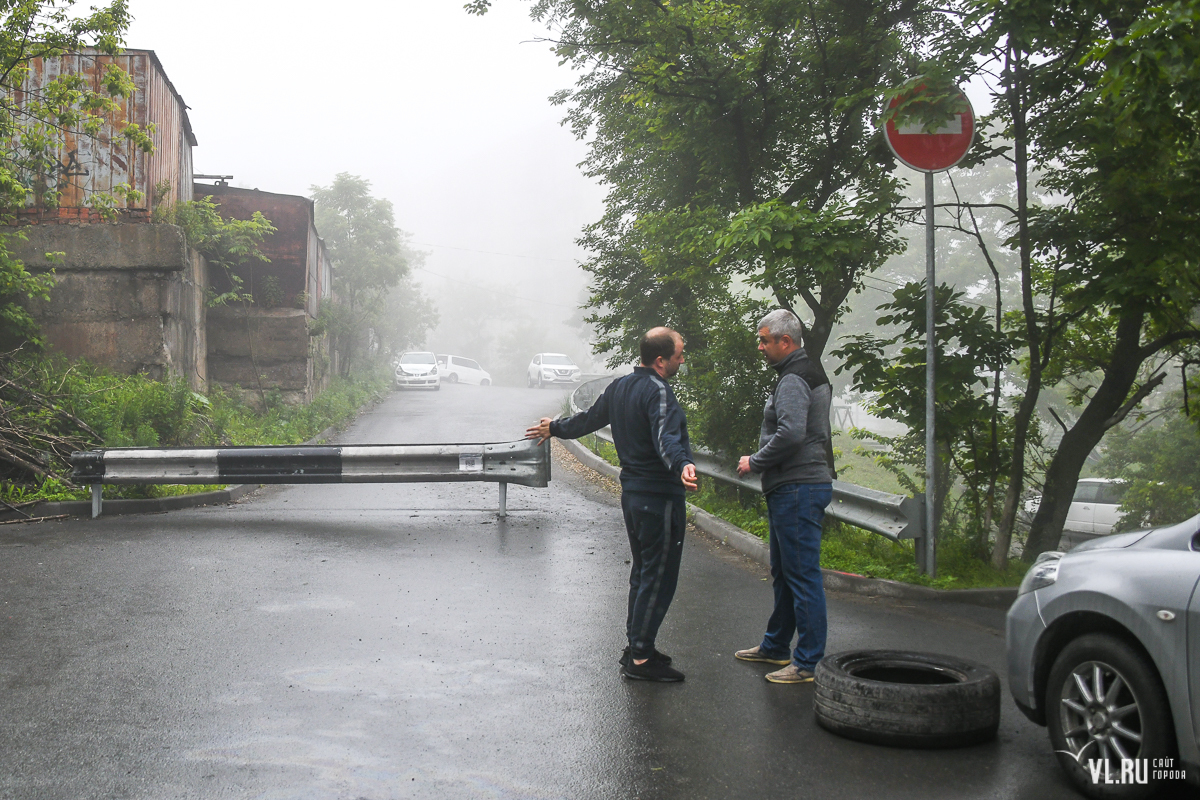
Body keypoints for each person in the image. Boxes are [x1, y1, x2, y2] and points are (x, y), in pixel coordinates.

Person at [526, 327, 698, 682]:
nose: (683, 358)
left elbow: (587, 420)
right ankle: (640, 660)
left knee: (643, 573)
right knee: (659, 576)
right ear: (661, 360)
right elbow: (665, 437)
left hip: (633, 497)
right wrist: (682, 464)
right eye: (680, 353)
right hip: (659, 498)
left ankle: (638, 647)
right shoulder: (658, 392)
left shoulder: (619, 387)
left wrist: (555, 428)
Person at [734, 309, 834, 684]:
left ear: (785, 342)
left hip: (798, 487)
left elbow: (792, 434)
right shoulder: (804, 370)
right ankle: (776, 646)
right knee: (785, 572)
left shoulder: (794, 379)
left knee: (802, 575)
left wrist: (754, 461)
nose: (760, 347)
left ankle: (807, 662)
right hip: (794, 486)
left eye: (764, 340)